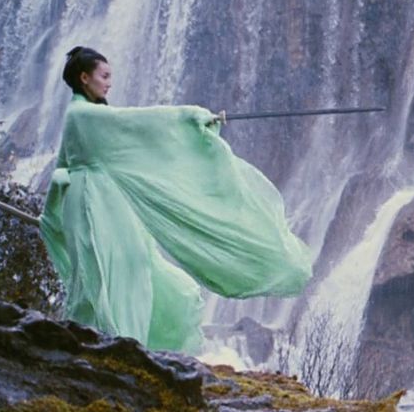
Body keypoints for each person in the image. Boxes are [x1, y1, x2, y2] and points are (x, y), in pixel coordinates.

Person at [40, 46, 312, 354]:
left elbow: (62, 167)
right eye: (104, 76)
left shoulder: (83, 116)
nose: (109, 83)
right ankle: (106, 347)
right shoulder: (84, 115)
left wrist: (51, 211)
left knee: (128, 268)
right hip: (95, 206)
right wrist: (189, 118)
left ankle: (117, 344)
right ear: (84, 78)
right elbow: (141, 124)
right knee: (104, 271)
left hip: (108, 204)